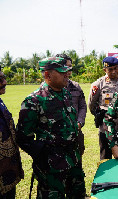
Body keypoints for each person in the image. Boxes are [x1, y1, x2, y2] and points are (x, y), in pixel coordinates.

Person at [16, 57, 86, 198]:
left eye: (67, 71)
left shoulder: (65, 93)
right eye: (62, 72)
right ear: (47, 75)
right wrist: (42, 156)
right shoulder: (34, 101)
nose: (67, 74)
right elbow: (22, 137)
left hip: (73, 161)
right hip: (52, 169)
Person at [88, 56, 118, 160]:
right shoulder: (98, 84)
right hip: (105, 127)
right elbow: (91, 104)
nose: (113, 71)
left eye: (116, 68)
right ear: (104, 70)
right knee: (105, 156)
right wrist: (101, 116)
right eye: (110, 69)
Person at [56, 54, 87, 156]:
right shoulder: (47, 90)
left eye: (70, 66)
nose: (68, 69)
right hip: (56, 137)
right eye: (66, 66)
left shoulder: (76, 86)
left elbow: (82, 106)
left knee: (77, 163)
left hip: (75, 133)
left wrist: (80, 122)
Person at [0, 70, 24, 198]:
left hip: (7, 174)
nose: (5, 82)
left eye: (4, 77)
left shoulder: (0, 102)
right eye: (0, 79)